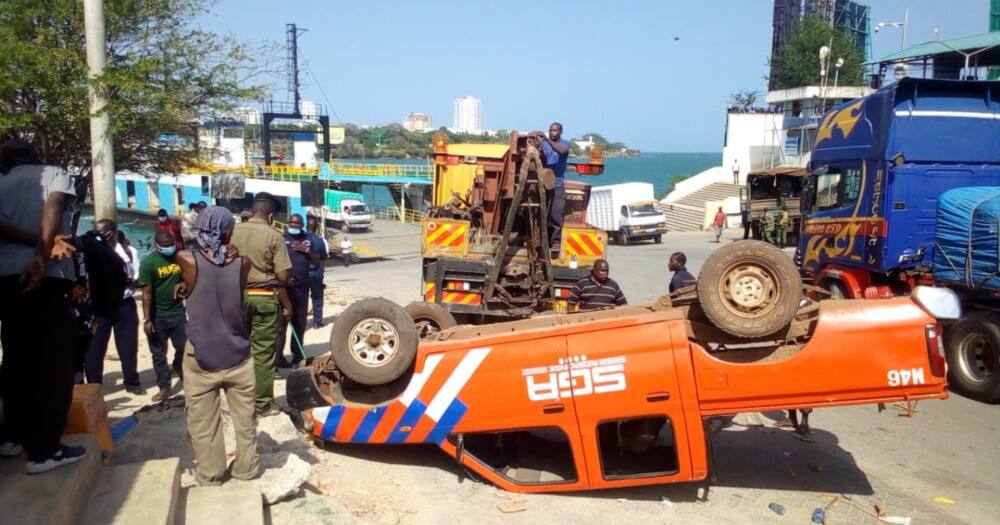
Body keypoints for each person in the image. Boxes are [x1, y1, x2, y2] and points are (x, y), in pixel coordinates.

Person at [0, 140, 87, 474]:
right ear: (36, 157)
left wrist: (32, 243)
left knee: (15, 357)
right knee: (53, 364)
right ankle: (45, 450)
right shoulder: (53, 175)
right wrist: (42, 251)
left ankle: (11, 437)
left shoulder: (2, 183)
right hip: (47, 278)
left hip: (5, 279)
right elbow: (52, 207)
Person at [175, 206, 258, 486]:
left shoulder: (186, 259)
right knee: (245, 421)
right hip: (238, 354)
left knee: (204, 424)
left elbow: (191, 284)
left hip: (202, 357)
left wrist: (183, 288)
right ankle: (246, 471)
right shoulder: (243, 263)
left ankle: (211, 475)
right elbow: (233, 290)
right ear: (228, 233)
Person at [229, 192, 293, 416]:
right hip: (264, 296)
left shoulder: (233, 231)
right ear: (271, 215)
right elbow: (283, 277)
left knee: (238, 350)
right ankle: (262, 404)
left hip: (236, 297)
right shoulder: (274, 236)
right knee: (263, 353)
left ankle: (237, 400)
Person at [86, 220, 143, 394]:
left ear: (109, 233)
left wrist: (123, 281)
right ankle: (95, 385)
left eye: (99, 231)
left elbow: (136, 277)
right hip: (100, 306)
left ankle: (132, 382)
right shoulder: (92, 253)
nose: (95, 234)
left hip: (124, 303)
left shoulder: (128, 252)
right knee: (95, 347)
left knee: (128, 346)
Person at [139, 230, 187, 401]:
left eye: (171, 245)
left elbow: (190, 277)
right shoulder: (148, 264)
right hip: (158, 316)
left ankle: (178, 366)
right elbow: (146, 293)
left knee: (183, 347)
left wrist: (183, 283)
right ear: (157, 245)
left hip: (178, 312)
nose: (169, 249)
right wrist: (147, 319)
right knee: (159, 354)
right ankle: (164, 387)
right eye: (165, 246)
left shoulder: (180, 258)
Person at [276, 214, 320, 368]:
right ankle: (278, 358)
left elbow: (316, 261)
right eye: (292, 222)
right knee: (281, 325)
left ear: (302, 224)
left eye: (297, 223)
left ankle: (297, 356)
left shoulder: (307, 239)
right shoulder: (280, 239)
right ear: (288, 223)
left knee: (299, 323)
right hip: (283, 289)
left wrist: (306, 250)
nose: (294, 225)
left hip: (301, 288)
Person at [535, 122, 571, 257]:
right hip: (544, 184)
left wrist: (545, 138)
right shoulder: (544, 143)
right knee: (541, 213)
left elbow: (559, 151)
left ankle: (556, 242)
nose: (552, 133)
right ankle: (539, 239)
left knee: (556, 214)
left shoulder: (565, 144)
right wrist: (537, 140)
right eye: (550, 130)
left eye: (554, 131)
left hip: (557, 185)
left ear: (561, 132)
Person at [306, 216, 329, 328]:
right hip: (316, 273)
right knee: (317, 298)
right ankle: (317, 322)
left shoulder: (300, 239)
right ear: (316, 227)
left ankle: (301, 322)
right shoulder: (319, 241)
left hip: (302, 273)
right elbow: (324, 256)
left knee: (301, 298)